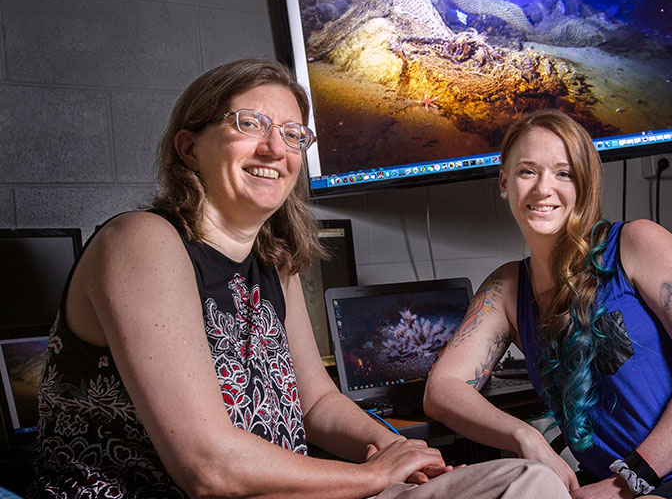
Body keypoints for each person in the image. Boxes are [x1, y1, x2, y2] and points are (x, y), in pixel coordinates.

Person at [29, 59, 569, 499]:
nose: (274, 149)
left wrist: (402, 455)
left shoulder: (274, 260)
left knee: (530, 482)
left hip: (296, 492)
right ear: (189, 146)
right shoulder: (141, 241)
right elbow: (208, 468)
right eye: (249, 125)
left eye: (291, 134)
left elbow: (316, 404)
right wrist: (372, 476)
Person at [424, 110, 672, 499]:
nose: (543, 189)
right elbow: (443, 389)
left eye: (563, 173)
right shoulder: (506, 288)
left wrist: (628, 482)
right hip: (629, 487)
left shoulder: (636, 243)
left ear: (585, 184)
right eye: (527, 172)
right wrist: (525, 435)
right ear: (504, 182)